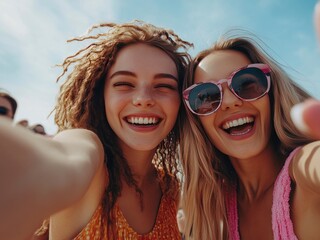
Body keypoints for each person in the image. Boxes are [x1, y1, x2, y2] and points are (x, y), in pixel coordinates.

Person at [180, 1, 320, 239]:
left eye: (246, 83)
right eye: (206, 96)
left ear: (272, 94)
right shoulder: (214, 213)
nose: (230, 102)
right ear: (196, 123)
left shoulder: (303, 174)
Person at [0, 20, 192, 240]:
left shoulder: (170, 188)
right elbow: (62, 158)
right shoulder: (91, 163)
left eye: (164, 86)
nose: (143, 99)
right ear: (101, 96)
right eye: (124, 84)